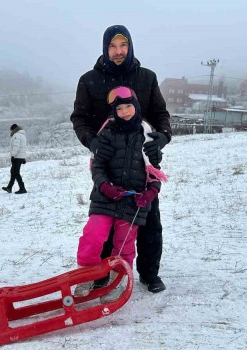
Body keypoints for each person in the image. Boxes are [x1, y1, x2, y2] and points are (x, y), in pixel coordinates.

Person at [70, 24, 172, 293]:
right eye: (112, 46)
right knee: (104, 219)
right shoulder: (89, 80)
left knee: (148, 220)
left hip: (141, 162)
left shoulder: (146, 78)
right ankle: (102, 274)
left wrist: (162, 136)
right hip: (108, 161)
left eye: (123, 46)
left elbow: (161, 114)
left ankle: (149, 274)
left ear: (130, 47)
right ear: (105, 48)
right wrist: (92, 143)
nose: (118, 51)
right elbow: (79, 118)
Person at [74, 87, 165, 303]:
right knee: (93, 236)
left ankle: (119, 281)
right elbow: (98, 165)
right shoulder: (107, 133)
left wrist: (150, 194)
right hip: (105, 198)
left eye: (128, 107)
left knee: (124, 245)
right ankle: (85, 277)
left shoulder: (146, 137)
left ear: (137, 107)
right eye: (119, 108)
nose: (124, 112)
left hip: (132, 204)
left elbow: (154, 173)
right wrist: (104, 186)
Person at [2, 124, 27, 194]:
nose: (11, 131)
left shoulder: (16, 135)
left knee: (16, 172)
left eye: (11, 130)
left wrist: (13, 155)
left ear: (14, 129)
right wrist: (23, 158)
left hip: (16, 157)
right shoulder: (23, 135)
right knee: (13, 172)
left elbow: (16, 146)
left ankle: (22, 189)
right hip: (20, 156)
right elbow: (23, 147)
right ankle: (9, 188)